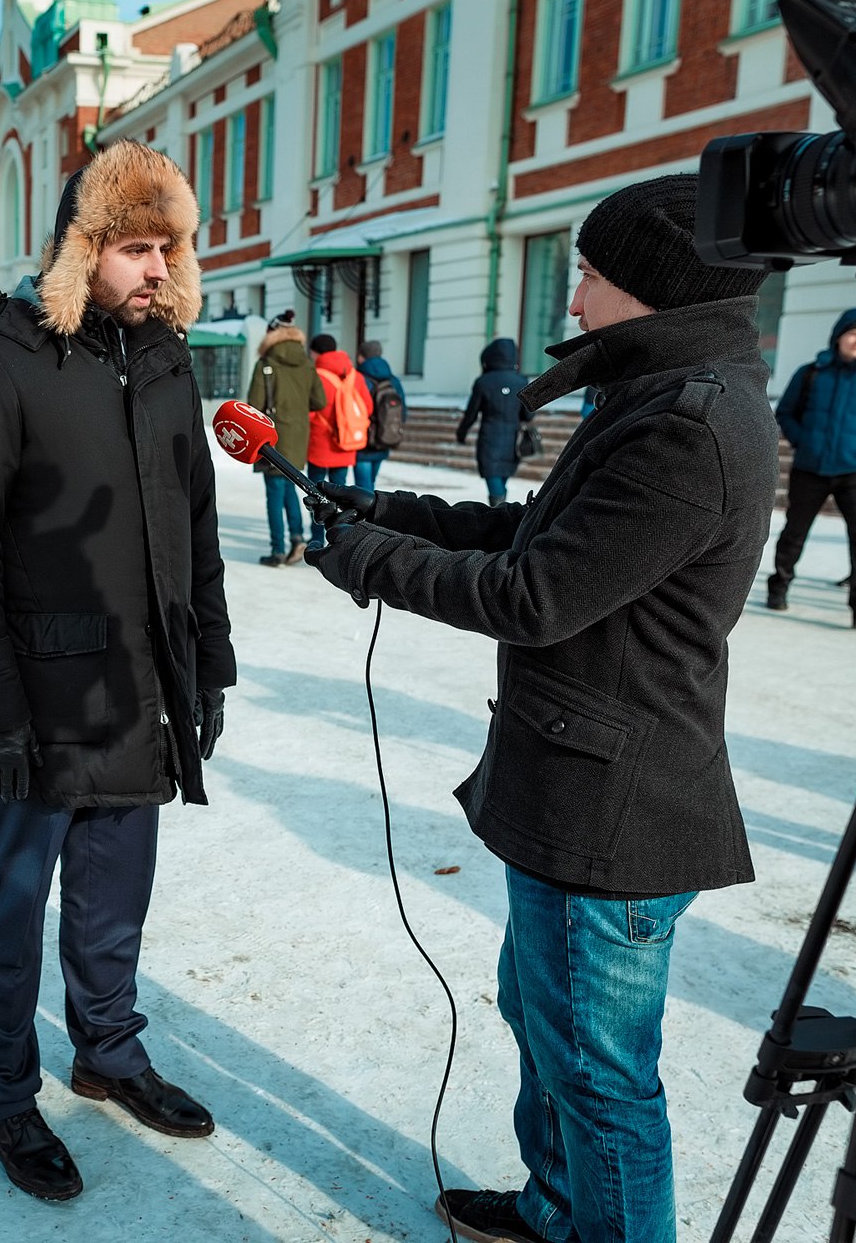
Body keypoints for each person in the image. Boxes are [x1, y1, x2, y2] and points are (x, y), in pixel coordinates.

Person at [307, 174, 780, 1243]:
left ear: (653, 291)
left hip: (610, 811)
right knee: (547, 1021)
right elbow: (548, 535)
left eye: (592, 277)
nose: (573, 304)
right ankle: (557, 1207)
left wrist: (374, 560)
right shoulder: (663, 393)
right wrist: (396, 508)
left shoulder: (689, 424)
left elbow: (538, 595)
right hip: (574, 784)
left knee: (602, 1075)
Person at [0, 140, 234, 1205]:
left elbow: (196, 520)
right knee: (11, 903)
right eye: (133, 247)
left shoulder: (167, 361)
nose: (155, 268)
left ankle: (108, 1049)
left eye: (167, 248)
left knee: (115, 896)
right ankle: (5, 1088)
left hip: (138, 687)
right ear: (80, 247)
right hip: (33, 702)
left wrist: (211, 662)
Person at [766, 308, 856, 627]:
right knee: (794, 531)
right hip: (810, 468)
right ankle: (779, 587)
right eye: (853, 333)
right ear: (839, 335)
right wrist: (805, 442)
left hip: (854, 470)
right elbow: (785, 413)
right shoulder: (811, 372)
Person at [244, 310, 325, 566]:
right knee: (290, 486)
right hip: (298, 437)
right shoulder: (306, 364)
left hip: (271, 439)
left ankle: (278, 549)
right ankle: (297, 537)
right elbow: (319, 401)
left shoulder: (266, 363)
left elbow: (253, 405)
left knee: (275, 493)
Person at [306, 333, 371, 554]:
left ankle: (316, 538)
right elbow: (367, 407)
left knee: (316, 494)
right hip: (346, 442)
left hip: (320, 443)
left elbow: (311, 411)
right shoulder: (354, 375)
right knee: (341, 492)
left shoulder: (316, 375)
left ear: (316, 352)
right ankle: (339, 536)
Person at [458, 338, 532, 503]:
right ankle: (501, 513)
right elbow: (528, 415)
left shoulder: (483, 382)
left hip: (489, 439)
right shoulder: (521, 381)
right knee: (502, 480)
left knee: (493, 481)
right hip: (513, 441)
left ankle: (499, 515)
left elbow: (471, 413)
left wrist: (461, 433)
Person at [354, 340, 405, 492]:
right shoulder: (393, 380)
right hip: (385, 436)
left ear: (361, 357)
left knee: (363, 487)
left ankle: (368, 515)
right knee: (371, 483)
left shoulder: (359, 378)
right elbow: (403, 410)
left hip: (364, 440)